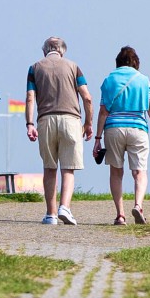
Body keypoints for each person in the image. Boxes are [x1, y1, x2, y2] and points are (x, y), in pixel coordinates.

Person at [24, 36, 93, 225]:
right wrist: (88, 123)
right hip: (71, 120)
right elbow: (87, 97)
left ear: (45, 51)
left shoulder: (34, 68)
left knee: (49, 168)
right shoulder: (74, 66)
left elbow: (31, 97)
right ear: (63, 50)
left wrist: (29, 123)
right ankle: (65, 207)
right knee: (68, 169)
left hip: (45, 119)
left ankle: (51, 214)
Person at [93, 46, 150, 225]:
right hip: (138, 127)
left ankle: (120, 215)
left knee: (116, 172)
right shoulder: (144, 80)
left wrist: (97, 139)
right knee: (139, 171)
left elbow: (102, 111)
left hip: (113, 128)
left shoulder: (109, 80)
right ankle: (138, 206)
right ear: (136, 62)